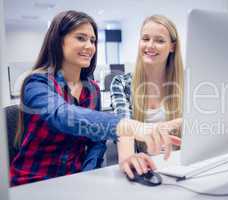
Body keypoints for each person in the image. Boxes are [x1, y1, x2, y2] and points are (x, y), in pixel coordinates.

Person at [10, 10, 181, 186]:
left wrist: (86, 176)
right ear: (59, 40)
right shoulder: (36, 83)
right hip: (32, 182)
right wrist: (129, 127)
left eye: (92, 40)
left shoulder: (91, 90)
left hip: (75, 181)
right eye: (81, 38)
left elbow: (96, 144)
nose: (89, 46)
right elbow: (62, 116)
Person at [110, 15, 184, 156]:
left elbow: (200, 124)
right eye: (145, 39)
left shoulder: (185, 84)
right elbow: (124, 126)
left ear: (172, 47)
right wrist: (128, 158)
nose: (150, 45)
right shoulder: (121, 83)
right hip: (146, 165)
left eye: (160, 40)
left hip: (180, 164)